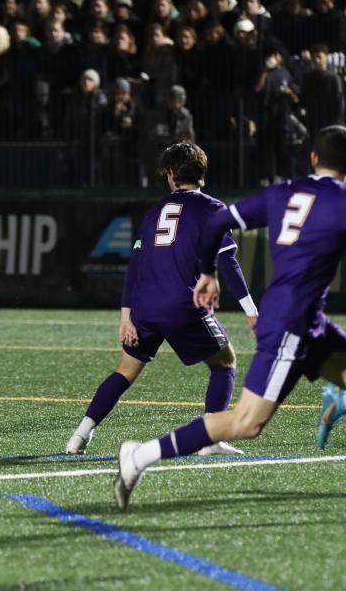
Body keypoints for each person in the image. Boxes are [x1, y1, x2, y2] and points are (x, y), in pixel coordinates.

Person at [114, 126, 346, 511]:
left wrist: (207, 272)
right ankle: (138, 456)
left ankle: (335, 401)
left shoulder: (281, 191)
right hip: (293, 324)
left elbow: (218, 222)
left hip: (305, 319)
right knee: (246, 423)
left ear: (313, 158)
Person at [66, 142, 258, 456]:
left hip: (144, 306)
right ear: (202, 175)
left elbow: (136, 265)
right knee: (225, 362)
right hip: (182, 304)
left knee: (125, 370)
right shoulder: (212, 209)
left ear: (170, 175)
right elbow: (229, 263)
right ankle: (210, 438)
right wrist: (252, 311)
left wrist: (126, 315)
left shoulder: (155, 210)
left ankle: (80, 434)